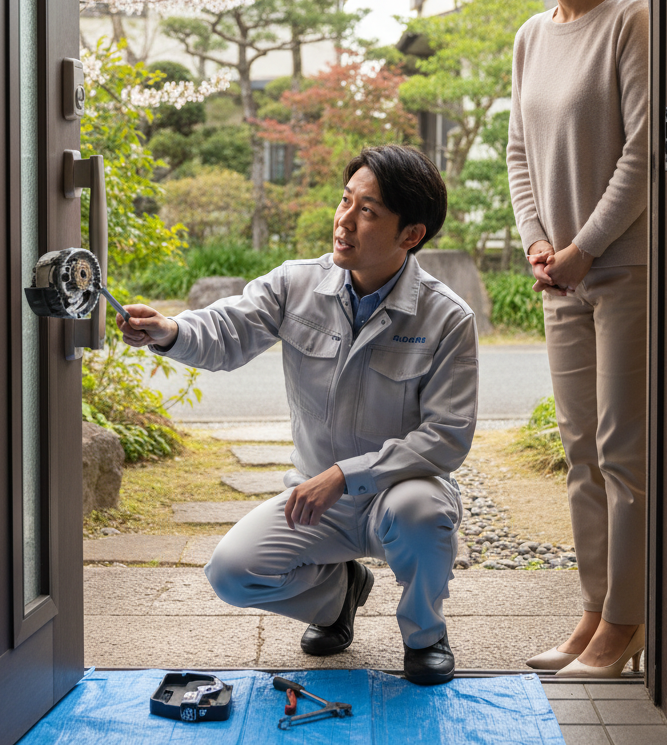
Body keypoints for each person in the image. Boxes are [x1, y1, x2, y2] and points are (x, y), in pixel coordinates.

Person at [117, 145, 479, 685]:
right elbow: (228, 330)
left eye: (368, 211)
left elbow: (446, 436)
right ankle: (338, 599)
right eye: (345, 200)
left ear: (411, 234)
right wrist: (171, 331)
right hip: (317, 498)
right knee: (231, 573)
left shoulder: (446, 317)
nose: (344, 220)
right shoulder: (296, 284)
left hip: (399, 492)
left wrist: (347, 475)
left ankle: (425, 633)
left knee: (421, 516)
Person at [500, 0, 649, 678]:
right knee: (580, 448)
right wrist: (537, 242)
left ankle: (627, 625)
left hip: (622, 268)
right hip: (558, 272)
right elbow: (520, 150)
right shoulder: (530, 36)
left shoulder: (633, 21)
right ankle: (594, 613)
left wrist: (583, 247)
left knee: (626, 454)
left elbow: (642, 155)